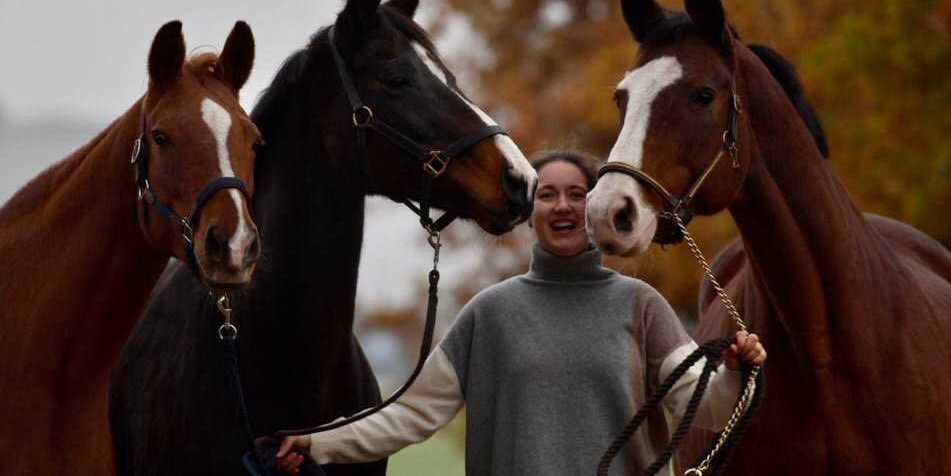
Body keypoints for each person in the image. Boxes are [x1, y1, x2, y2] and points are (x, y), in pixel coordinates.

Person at [276, 149, 766, 475]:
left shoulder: (641, 306)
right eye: (547, 195)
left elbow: (704, 406)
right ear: (531, 212)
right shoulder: (489, 313)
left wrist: (735, 374)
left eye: (577, 194)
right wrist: (317, 443)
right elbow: (409, 416)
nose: (562, 207)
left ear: (594, 207)